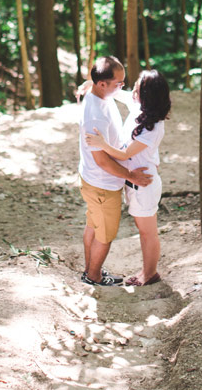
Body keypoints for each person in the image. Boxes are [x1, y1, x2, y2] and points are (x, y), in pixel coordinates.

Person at [85, 69, 170, 286]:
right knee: (144, 230)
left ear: (148, 95)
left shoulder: (154, 127)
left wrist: (102, 144)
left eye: (137, 89)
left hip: (144, 183)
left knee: (147, 233)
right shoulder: (140, 108)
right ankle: (147, 271)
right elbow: (121, 95)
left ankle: (149, 274)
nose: (132, 91)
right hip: (134, 182)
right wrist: (90, 85)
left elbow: (125, 154)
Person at [77, 56, 153, 287]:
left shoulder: (98, 92)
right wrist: (131, 176)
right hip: (102, 183)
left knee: (94, 225)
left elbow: (89, 83)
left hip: (93, 180)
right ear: (102, 84)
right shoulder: (94, 116)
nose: (122, 87)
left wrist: (86, 84)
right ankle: (94, 276)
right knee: (105, 235)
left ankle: (91, 270)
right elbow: (101, 160)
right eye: (118, 83)